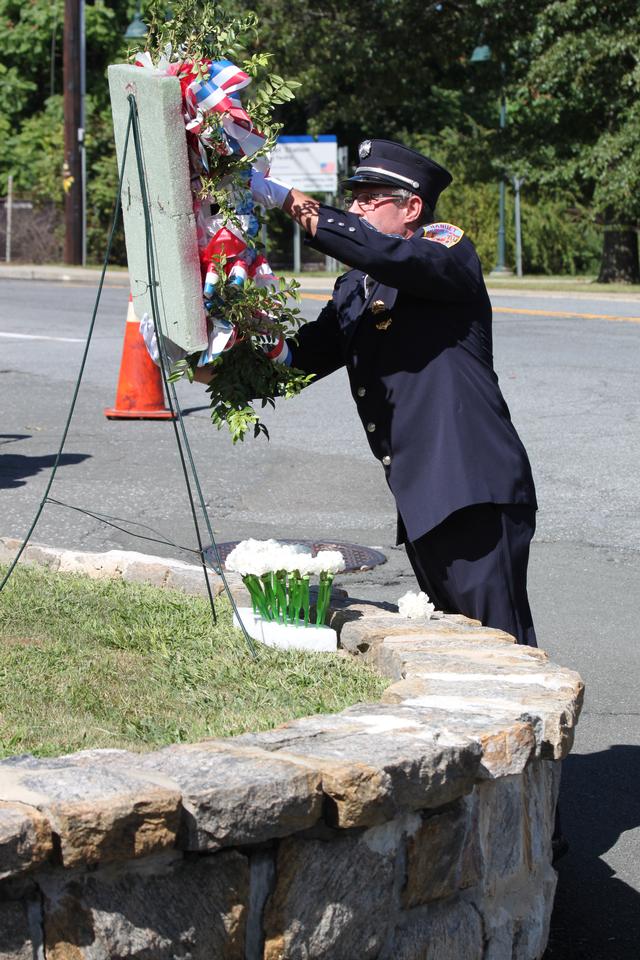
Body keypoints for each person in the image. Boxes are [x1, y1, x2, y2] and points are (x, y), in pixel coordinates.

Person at [244, 138, 538, 645]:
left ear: (412, 208)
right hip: (425, 497)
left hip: (472, 489)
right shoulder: (355, 289)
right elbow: (296, 360)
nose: (355, 207)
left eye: (370, 196)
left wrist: (293, 202)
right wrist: (224, 352)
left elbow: (386, 253)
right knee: (458, 647)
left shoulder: (446, 251)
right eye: (352, 195)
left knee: (500, 646)